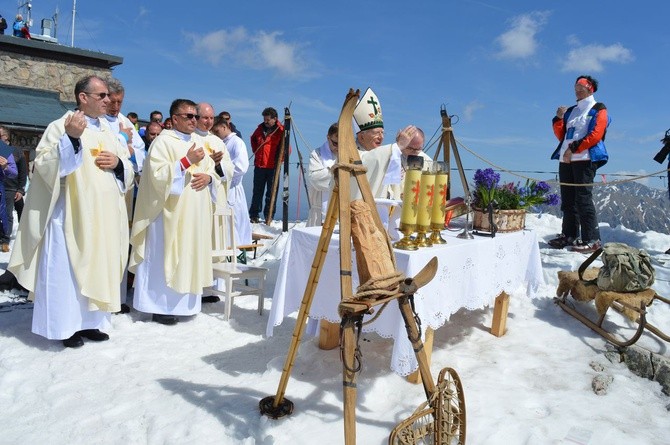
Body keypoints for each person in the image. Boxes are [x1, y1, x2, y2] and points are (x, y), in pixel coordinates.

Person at [8, 75, 134, 348]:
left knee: (98, 265)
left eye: (108, 96)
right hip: (71, 214)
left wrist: (119, 164)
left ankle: (91, 323)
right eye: (101, 95)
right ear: (82, 98)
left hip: (105, 216)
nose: (108, 100)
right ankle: (65, 326)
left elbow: (128, 169)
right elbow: (45, 167)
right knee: (68, 271)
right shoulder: (60, 126)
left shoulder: (109, 132)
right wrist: (73, 139)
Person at [129, 99, 221, 325]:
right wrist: (186, 161)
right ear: (175, 119)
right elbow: (156, 177)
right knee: (165, 255)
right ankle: (159, 306)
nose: (194, 120)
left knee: (190, 253)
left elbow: (212, 173)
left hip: (195, 212)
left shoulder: (199, 141)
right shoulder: (163, 142)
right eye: (189, 116)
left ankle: (185, 304)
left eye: (195, 116)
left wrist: (209, 178)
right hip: (168, 213)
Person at [549, 75, 609, 253]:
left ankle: (592, 239)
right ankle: (569, 234)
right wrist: (558, 119)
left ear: (590, 88)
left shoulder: (598, 108)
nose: (576, 88)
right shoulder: (571, 110)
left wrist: (573, 148)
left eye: (580, 85)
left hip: (584, 158)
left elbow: (596, 135)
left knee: (583, 199)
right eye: (575, 85)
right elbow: (563, 136)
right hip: (566, 160)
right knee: (568, 199)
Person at [211, 116, 252, 244]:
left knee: (234, 223)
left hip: (233, 189)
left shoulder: (237, 142)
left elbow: (241, 167)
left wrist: (220, 172)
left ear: (224, 127)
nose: (216, 135)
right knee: (224, 226)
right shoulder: (222, 143)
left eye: (217, 132)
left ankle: (237, 252)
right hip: (222, 187)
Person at [249, 107, 284, 223]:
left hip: (273, 168)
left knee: (271, 193)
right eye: (265, 119)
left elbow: (286, 148)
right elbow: (253, 139)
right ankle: (254, 215)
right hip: (259, 166)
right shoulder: (259, 129)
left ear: (275, 119)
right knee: (257, 192)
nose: (266, 122)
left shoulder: (281, 131)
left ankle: (269, 216)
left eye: (268, 120)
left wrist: (280, 160)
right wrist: (257, 153)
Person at [306, 123, 338, 227]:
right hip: (320, 214)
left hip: (341, 212)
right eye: (335, 143)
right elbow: (315, 179)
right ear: (328, 138)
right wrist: (335, 171)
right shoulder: (317, 154)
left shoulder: (349, 154)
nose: (338, 147)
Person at [0, 126, 26, 250]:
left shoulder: (15, 151)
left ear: (5, 137)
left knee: (7, 214)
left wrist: (20, 189)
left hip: (10, 188)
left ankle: (5, 240)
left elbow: (22, 172)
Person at [0, 138, 18, 252]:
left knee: (5, 215)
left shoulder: (4, 151)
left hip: (3, 188)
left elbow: (14, 173)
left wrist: (5, 167)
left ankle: (5, 240)